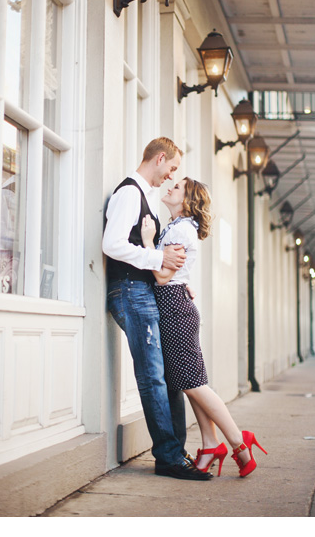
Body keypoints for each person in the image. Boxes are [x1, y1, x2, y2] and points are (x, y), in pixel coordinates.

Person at [141, 177, 267, 478]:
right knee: (189, 382)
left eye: (178, 187)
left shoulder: (182, 229)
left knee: (194, 383)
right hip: (174, 303)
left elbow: (161, 277)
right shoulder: (176, 227)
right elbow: (173, 273)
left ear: (187, 200)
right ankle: (211, 444)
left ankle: (238, 441)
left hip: (174, 306)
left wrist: (147, 242)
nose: (170, 186)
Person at [102, 137, 209, 481]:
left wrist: (177, 278)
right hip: (130, 291)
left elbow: (160, 260)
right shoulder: (130, 193)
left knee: (167, 378)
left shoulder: (144, 196)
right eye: (173, 168)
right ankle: (169, 457)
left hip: (145, 290)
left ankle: (174, 452)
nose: (171, 176)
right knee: (153, 377)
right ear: (160, 158)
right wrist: (157, 256)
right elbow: (112, 244)